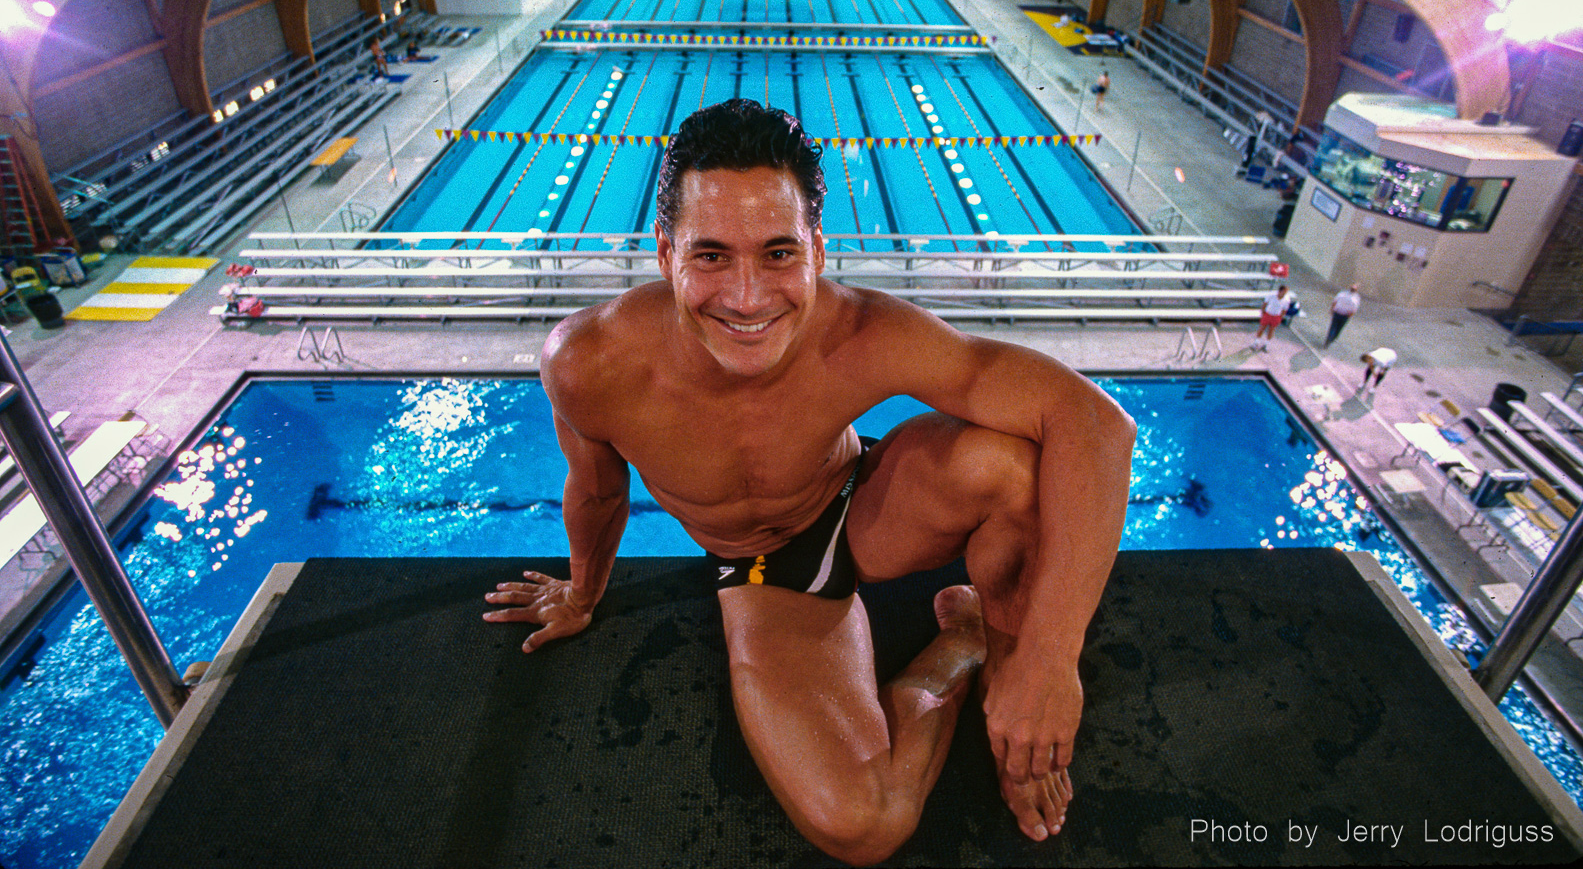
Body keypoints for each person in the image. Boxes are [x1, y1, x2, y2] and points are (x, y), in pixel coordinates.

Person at [483, 99, 1134, 865]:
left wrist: (1049, 662)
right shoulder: (590, 364)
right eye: (712, 255)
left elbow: (1095, 424)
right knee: (868, 824)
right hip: (767, 568)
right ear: (664, 253)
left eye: (778, 254)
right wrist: (583, 593)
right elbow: (596, 491)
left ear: (818, 251)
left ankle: (1015, 699)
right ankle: (959, 645)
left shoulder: (863, 332)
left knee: (1015, 471)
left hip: (864, 503)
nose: (749, 298)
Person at [1252, 283, 1291, 350]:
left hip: (1276, 316)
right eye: (1284, 291)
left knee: (1271, 330)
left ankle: (1267, 344)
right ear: (1280, 291)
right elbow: (1264, 304)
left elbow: (1284, 310)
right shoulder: (1271, 295)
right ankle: (1256, 342)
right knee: (1262, 328)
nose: (1285, 293)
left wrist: (1280, 318)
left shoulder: (1287, 299)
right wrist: (1263, 313)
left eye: (1286, 292)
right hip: (1267, 314)